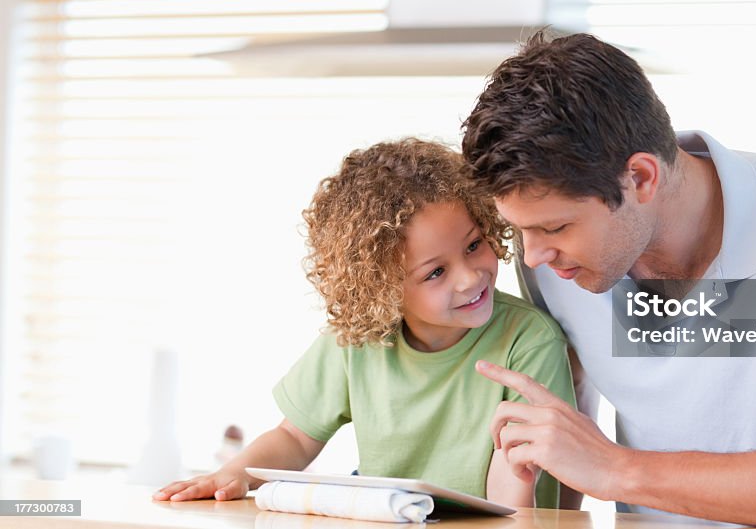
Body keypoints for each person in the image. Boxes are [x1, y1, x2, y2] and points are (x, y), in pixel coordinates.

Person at [460, 33, 756, 528]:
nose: (533, 255)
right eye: (519, 229)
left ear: (640, 178)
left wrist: (618, 469)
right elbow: (566, 444)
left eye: (555, 227)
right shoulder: (551, 264)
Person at [153, 138, 576, 508]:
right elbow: (296, 438)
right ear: (383, 289)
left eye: (473, 245)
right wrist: (236, 474)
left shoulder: (528, 341)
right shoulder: (357, 341)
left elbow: (517, 482)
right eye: (435, 272)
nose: (470, 277)